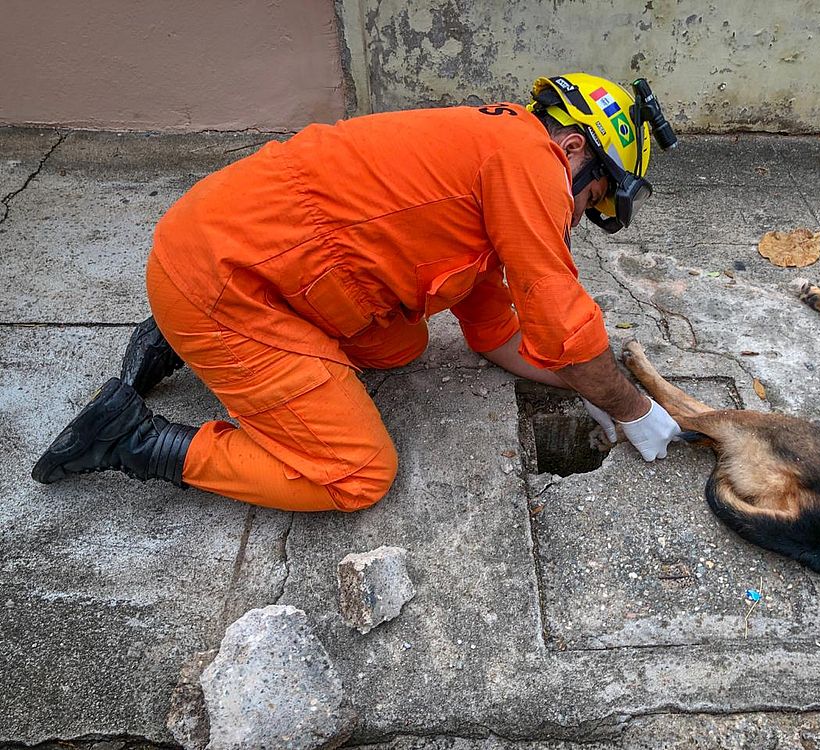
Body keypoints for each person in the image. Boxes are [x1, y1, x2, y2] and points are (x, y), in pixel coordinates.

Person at [32, 72, 682, 512]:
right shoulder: (529, 162)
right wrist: (631, 407)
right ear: (573, 148)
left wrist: (584, 384)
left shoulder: (491, 159)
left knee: (400, 345)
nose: (576, 217)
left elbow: (497, 335)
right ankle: (135, 440)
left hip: (226, 250)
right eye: (592, 198)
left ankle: (178, 336)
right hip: (223, 284)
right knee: (357, 474)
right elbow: (564, 321)